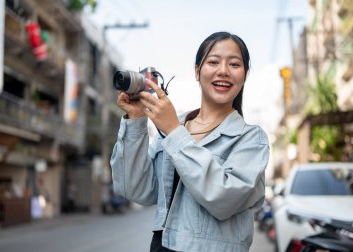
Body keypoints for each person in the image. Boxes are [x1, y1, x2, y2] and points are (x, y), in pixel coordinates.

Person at [110, 31, 270, 252]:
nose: (223, 71)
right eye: (213, 62)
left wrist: (174, 131)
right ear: (197, 71)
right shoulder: (176, 125)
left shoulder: (251, 138)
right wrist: (136, 120)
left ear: (244, 75)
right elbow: (136, 190)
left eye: (234, 64)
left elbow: (223, 199)